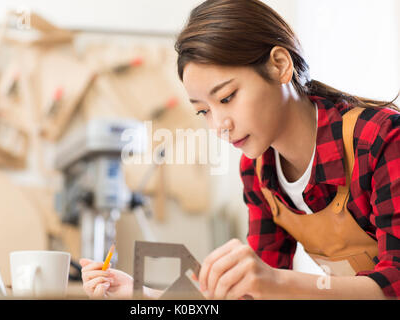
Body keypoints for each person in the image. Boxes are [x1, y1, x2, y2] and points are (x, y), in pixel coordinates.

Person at [80, 0, 400, 299]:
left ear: (279, 65)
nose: (219, 124)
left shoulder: (380, 139)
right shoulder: (258, 169)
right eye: (203, 110)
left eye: (227, 97)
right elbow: (253, 291)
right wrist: (144, 293)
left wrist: (275, 282)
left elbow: (396, 281)